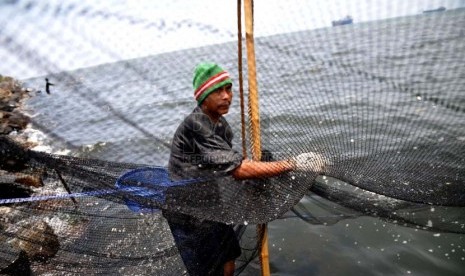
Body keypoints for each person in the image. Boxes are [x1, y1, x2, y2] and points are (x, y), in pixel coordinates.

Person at [163, 62, 325, 276]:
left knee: (229, 260)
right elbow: (238, 170)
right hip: (186, 211)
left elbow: (228, 166)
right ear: (203, 97)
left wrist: (259, 167)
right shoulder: (196, 124)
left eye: (228, 89)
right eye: (217, 91)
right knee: (207, 272)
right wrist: (293, 164)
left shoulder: (222, 127)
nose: (226, 96)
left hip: (210, 203)